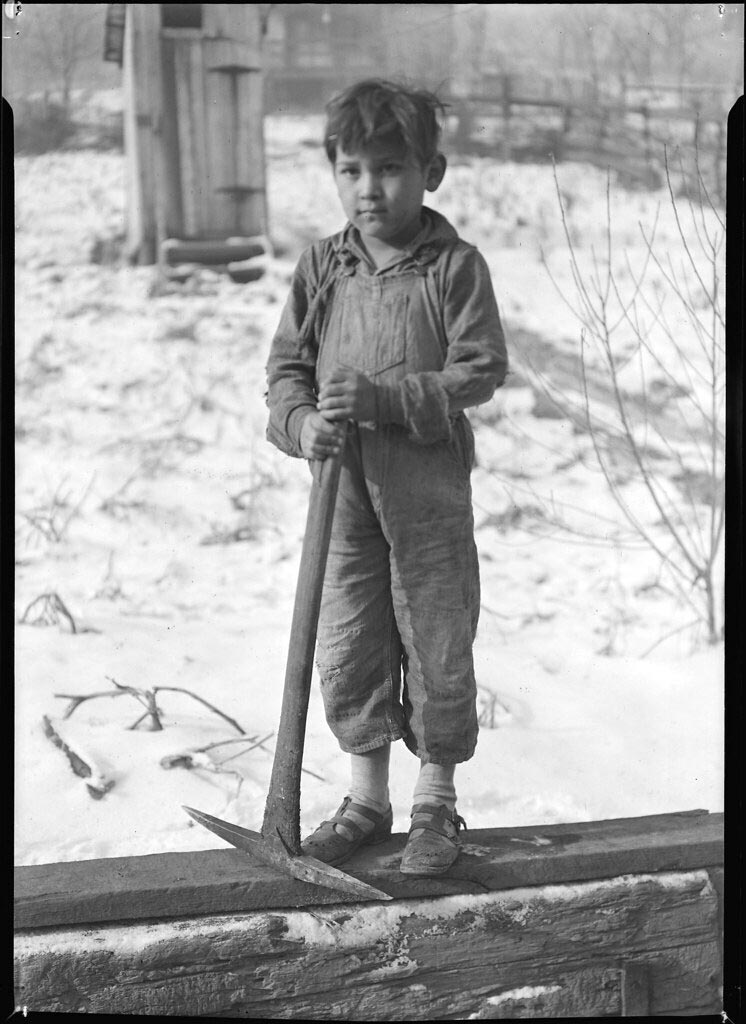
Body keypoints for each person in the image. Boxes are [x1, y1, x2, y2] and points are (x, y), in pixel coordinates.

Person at [265, 78, 508, 876]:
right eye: (352, 170)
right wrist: (303, 425)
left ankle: (435, 805)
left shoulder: (453, 267)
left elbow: (480, 367)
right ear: (333, 170)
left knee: (436, 637)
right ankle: (366, 802)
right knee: (351, 639)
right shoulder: (321, 268)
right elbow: (285, 374)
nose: (371, 189)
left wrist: (388, 398)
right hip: (340, 495)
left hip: (425, 488)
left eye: (392, 169)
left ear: (431, 171)